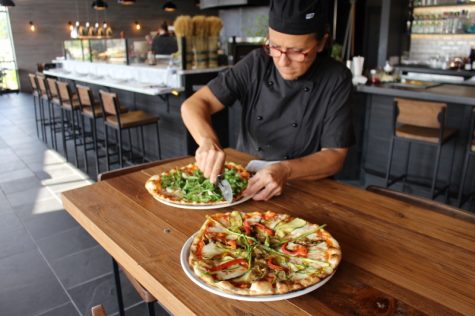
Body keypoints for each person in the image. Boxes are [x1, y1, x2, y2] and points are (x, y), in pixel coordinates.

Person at [181, 0, 354, 201]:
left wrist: (284, 169)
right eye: (275, 46)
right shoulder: (256, 63)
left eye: (297, 51)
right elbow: (193, 104)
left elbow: (334, 155)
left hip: (306, 189)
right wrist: (207, 140)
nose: (282, 60)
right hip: (247, 183)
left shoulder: (336, 78)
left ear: (321, 43)